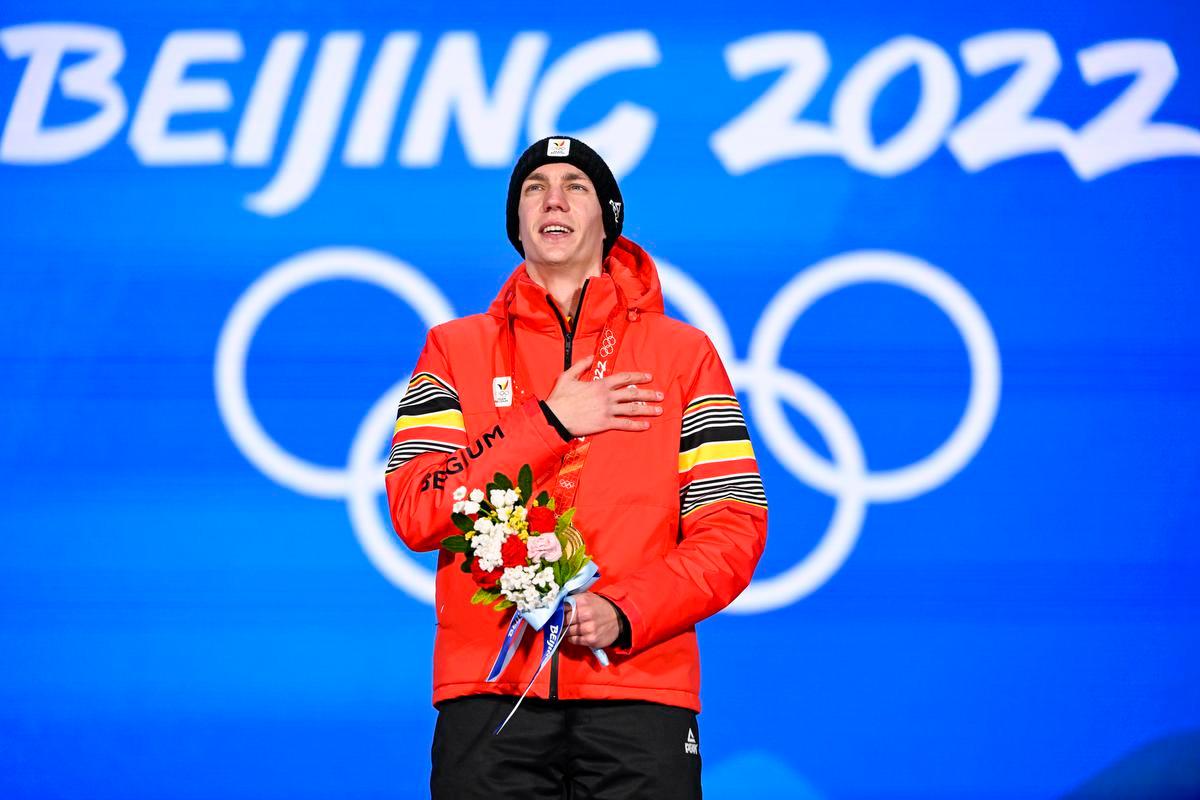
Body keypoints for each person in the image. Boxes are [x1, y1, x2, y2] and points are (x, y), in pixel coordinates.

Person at [384, 136, 768, 799]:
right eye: (534, 188)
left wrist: (626, 611)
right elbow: (418, 509)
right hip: (490, 693)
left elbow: (733, 526)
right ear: (517, 223)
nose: (553, 199)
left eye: (575, 187)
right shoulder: (453, 349)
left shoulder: (684, 355)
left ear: (608, 217)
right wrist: (550, 422)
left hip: (640, 687)